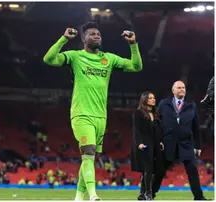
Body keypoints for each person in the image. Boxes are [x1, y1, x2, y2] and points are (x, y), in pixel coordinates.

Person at [43, 21, 143, 200]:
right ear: (83, 39)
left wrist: (133, 44)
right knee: (88, 153)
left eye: (98, 34)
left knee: (90, 158)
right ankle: (93, 195)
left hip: (101, 116)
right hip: (81, 113)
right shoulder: (75, 57)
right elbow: (49, 59)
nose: (97, 36)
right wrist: (63, 39)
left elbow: (137, 66)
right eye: (92, 34)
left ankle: (78, 198)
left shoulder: (109, 59)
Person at [152, 81, 206, 200]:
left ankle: (199, 197)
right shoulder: (164, 104)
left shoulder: (191, 105)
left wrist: (198, 146)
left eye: (183, 88)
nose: (182, 89)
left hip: (185, 143)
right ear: (173, 90)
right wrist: (158, 141)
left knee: (192, 170)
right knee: (160, 171)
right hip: (167, 143)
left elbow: (195, 127)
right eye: (179, 88)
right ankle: (150, 194)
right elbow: (157, 123)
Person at [131, 92, 165, 200]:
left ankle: (142, 193)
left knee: (150, 170)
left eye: (154, 98)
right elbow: (136, 130)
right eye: (150, 98)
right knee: (148, 169)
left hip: (154, 145)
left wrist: (160, 142)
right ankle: (148, 194)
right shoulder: (138, 113)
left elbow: (158, 131)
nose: (153, 100)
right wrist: (139, 143)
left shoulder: (155, 114)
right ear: (144, 100)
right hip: (144, 145)